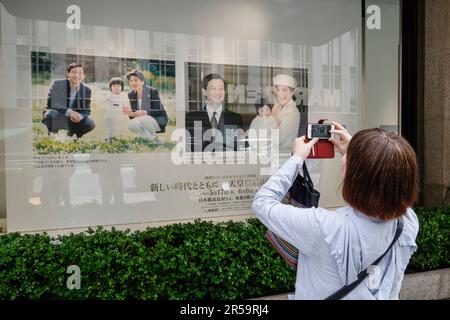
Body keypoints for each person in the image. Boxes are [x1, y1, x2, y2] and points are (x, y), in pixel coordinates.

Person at [253, 122, 420, 300]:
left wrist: (297, 158)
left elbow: (262, 202)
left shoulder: (324, 227)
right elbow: (388, 183)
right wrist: (358, 155)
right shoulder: (408, 222)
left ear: (350, 173)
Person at [185, 73, 244, 151]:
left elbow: (239, 147)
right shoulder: (192, 117)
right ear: (204, 92)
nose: (218, 92)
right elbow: (189, 148)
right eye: (213, 88)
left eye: (221, 88)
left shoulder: (235, 118)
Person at [42, 63, 95, 138]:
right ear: (68, 73)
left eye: (80, 73)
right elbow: (52, 103)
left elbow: (87, 110)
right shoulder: (57, 84)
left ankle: (72, 136)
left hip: (73, 120)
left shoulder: (86, 90)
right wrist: (70, 112)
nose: (77, 75)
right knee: (51, 113)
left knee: (90, 123)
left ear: (83, 76)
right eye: (74, 72)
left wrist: (81, 116)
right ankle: (53, 134)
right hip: (58, 115)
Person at [124, 70, 168, 141]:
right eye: (131, 81)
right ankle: (145, 138)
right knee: (131, 124)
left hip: (158, 120)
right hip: (144, 120)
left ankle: (154, 139)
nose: (133, 83)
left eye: (136, 80)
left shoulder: (152, 91)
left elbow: (158, 110)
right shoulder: (131, 94)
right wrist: (130, 113)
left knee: (144, 119)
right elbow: (133, 116)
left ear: (142, 82)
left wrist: (145, 112)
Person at [271, 74, 300, 155]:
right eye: (278, 89)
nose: (280, 94)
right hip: (276, 153)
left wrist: (272, 119)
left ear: (292, 92)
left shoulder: (292, 112)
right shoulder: (278, 107)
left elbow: (277, 140)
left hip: (284, 155)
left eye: (284, 90)